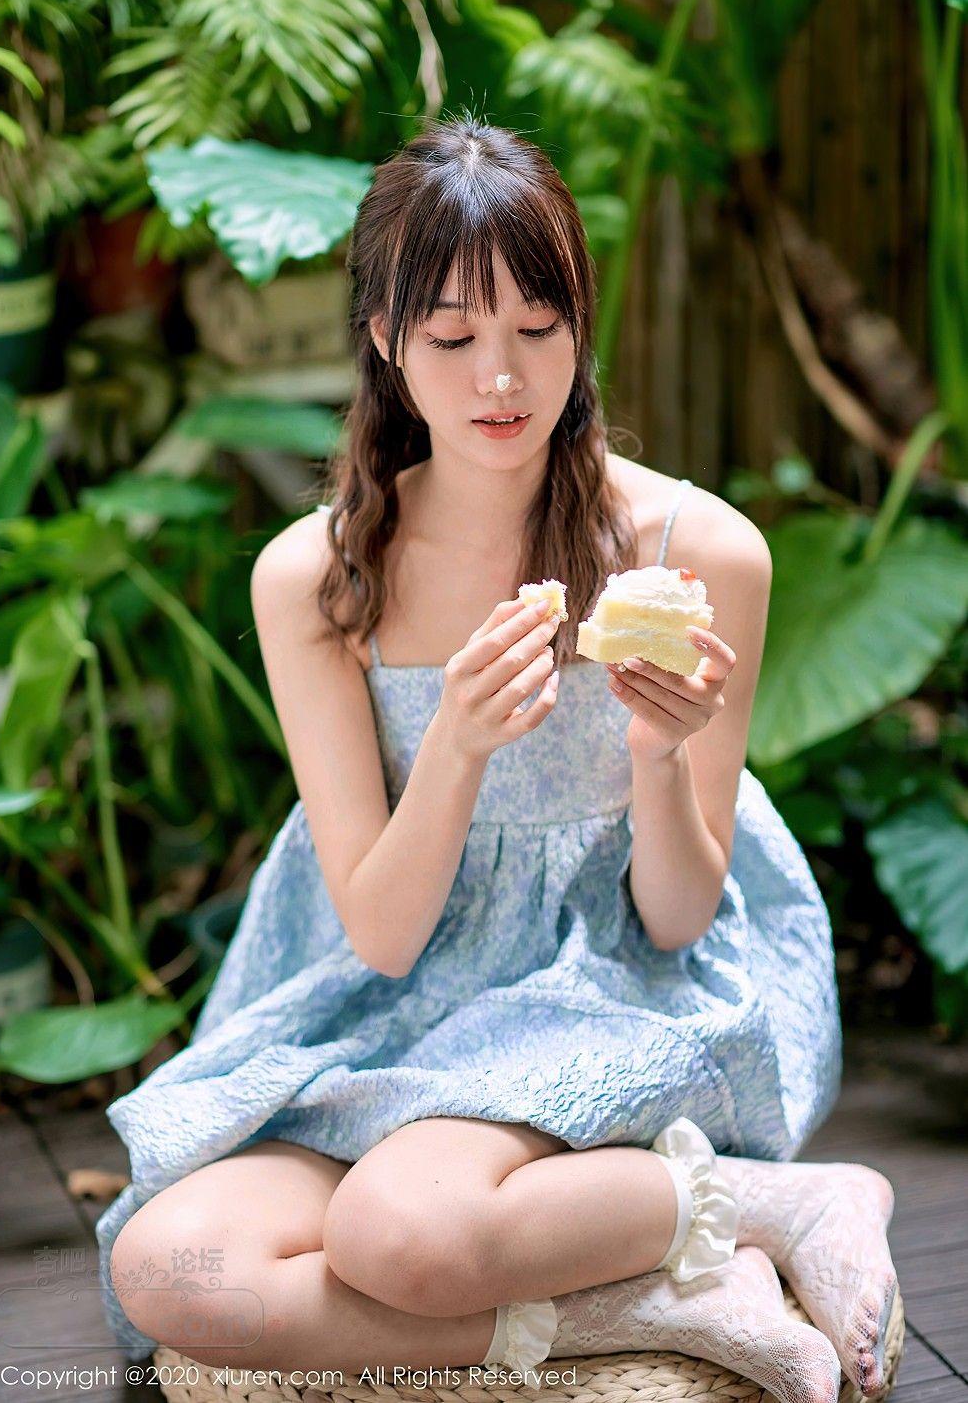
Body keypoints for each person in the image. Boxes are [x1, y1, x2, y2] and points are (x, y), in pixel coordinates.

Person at [96, 115, 897, 1403]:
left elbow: (680, 916)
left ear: (581, 320)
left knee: (396, 1234)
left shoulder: (698, 552)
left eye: (538, 325)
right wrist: (457, 746)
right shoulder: (316, 579)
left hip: (608, 990)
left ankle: (776, 1198)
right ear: (383, 338)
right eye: (453, 339)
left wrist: (657, 755)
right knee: (173, 1272)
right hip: (383, 1008)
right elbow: (382, 937)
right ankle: (664, 1300)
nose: (502, 378)